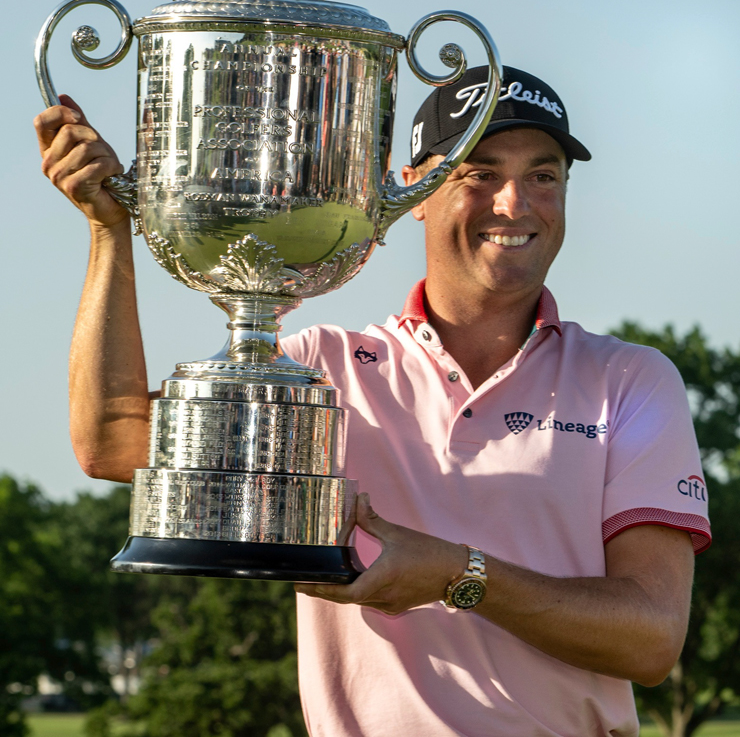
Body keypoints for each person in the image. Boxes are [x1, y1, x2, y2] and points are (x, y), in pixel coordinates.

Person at [34, 64, 711, 737]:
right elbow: (112, 440)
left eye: (543, 176)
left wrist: (458, 575)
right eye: (479, 173)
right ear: (411, 189)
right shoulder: (320, 368)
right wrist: (108, 231)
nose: (514, 203)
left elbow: (651, 639)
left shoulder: (631, 380)